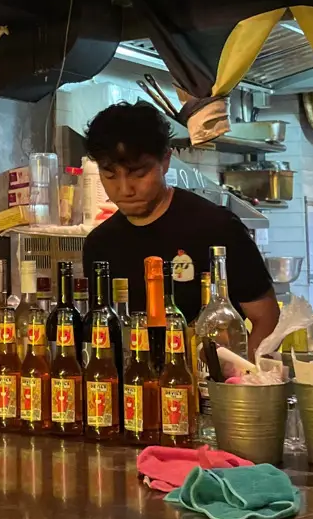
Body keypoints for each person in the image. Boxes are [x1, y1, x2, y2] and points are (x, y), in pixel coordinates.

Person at [81, 101, 278, 354]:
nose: (125, 189)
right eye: (110, 176)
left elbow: (266, 317)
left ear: (165, 161)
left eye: (138, 174)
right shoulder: (100, 245)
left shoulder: (216, 228)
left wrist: (242, 372)